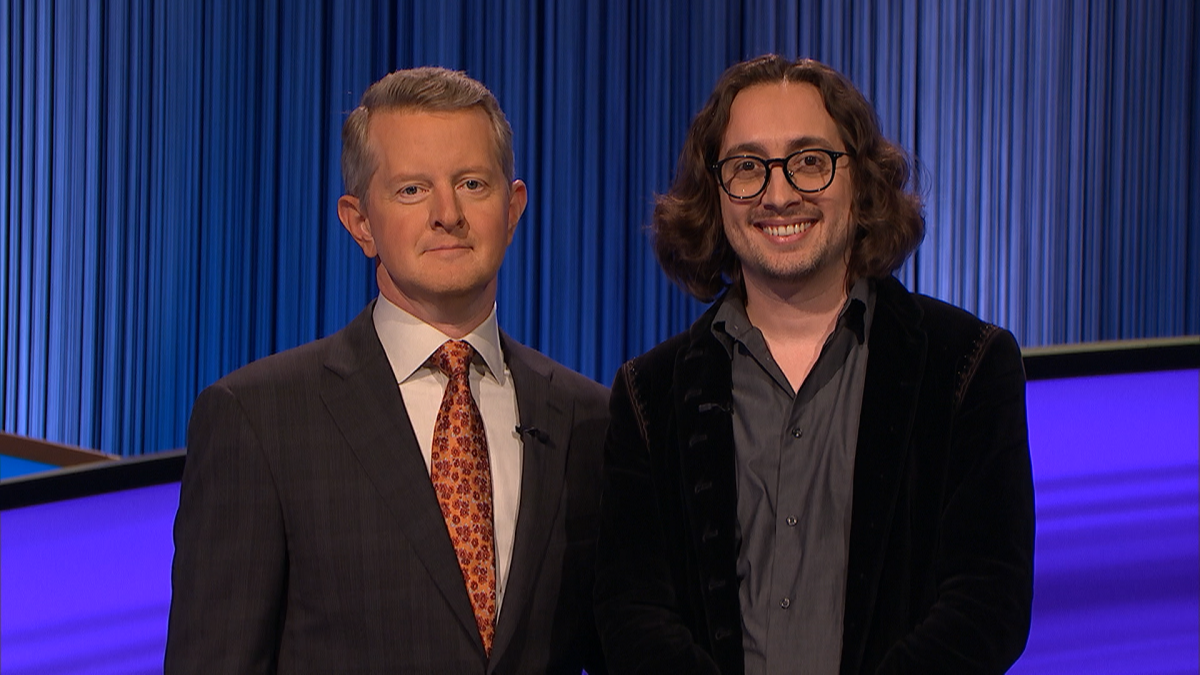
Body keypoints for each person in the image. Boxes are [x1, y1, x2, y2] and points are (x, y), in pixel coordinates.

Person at [594, 55, 1034, 675]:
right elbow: (631, 612)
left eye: (808, 161)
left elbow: (989, 601)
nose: (779, 195)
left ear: (861, 179)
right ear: (715, 191)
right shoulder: (649, 392)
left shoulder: (968, 365)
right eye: (747, 167)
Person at [165, 67, 608, 674]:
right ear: (360, 223)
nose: (447, 213)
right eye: (411, 190)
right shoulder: (258, 419)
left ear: (512, 208)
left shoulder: (590, 418)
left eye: (473, 183)